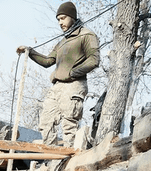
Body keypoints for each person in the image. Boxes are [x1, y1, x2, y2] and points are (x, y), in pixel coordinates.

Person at [17, 2, 99, 147]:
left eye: (63, 18)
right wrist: (29, 51)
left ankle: (68, 161)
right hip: (57, 87)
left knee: (69, 125)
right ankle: (51, 160)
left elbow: (94, 60)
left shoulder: (87, 35)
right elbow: (48, 61)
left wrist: (73, 73)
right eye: (58, 20)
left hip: (74, 85)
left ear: (72, 17)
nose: (60, 22)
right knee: (46, 122)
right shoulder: (62, 42)